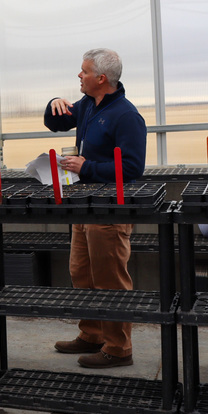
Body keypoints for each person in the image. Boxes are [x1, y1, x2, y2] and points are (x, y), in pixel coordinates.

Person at [46, 48, 147, 369]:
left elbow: (132, 168)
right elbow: (56, 124)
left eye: (84, 71)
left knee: (110, 277)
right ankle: (91, 333)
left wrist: (86, 167)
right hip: (84, 205)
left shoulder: (126, 116)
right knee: (82, 272)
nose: (79, 75)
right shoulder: (90, 105)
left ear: (101, 78)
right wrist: (53, 104)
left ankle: (118, 347)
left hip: (110, 210)